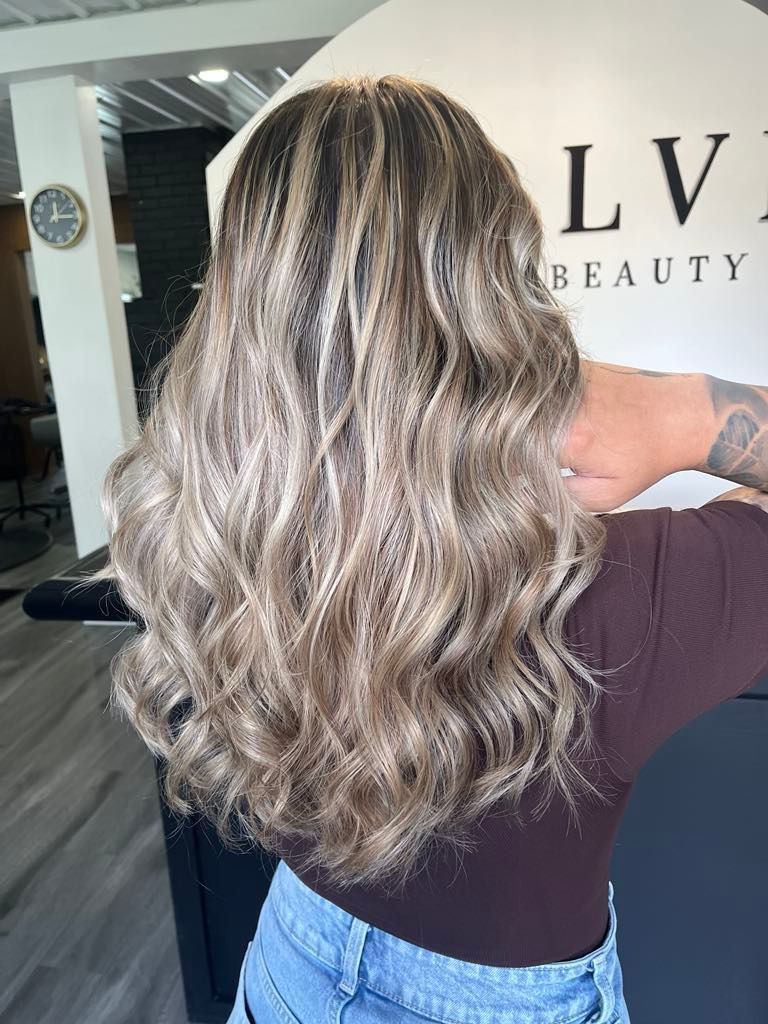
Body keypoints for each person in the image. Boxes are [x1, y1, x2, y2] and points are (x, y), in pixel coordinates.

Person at [90, 74, 768, 1023]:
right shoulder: (610, 596)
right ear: (501, 285)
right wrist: (685, 412)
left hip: (290, 960)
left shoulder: (210, 534)